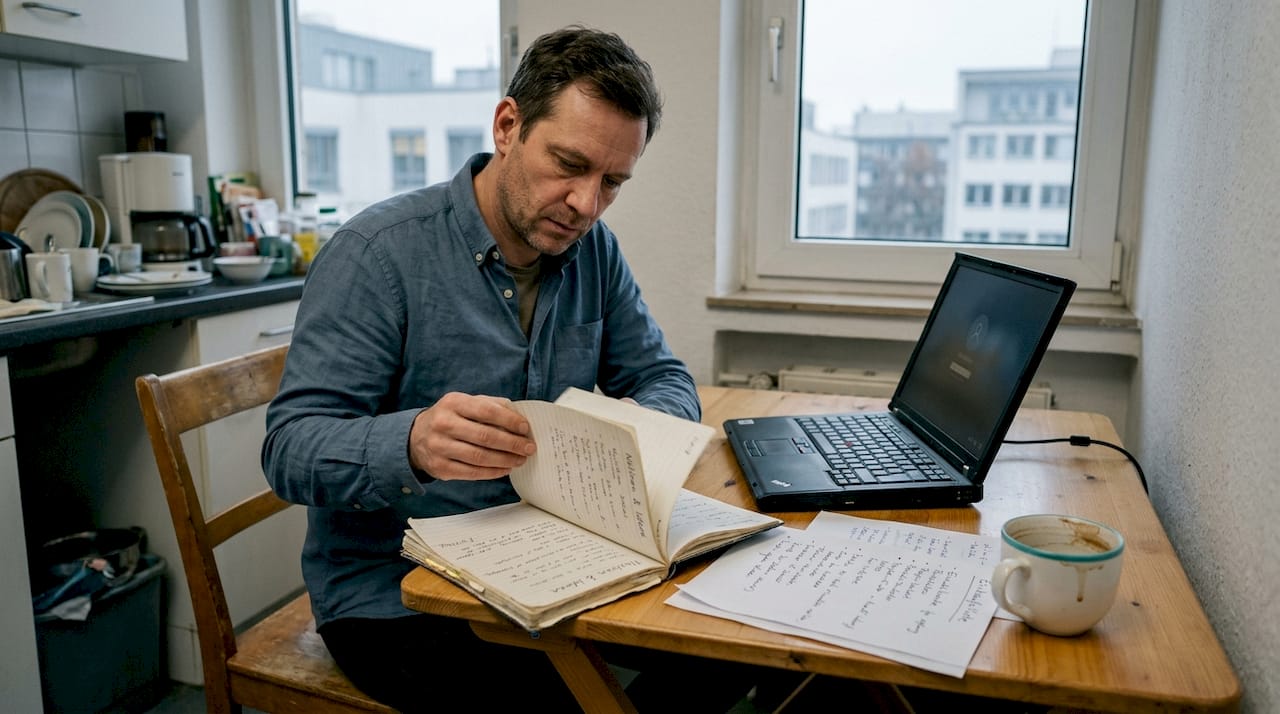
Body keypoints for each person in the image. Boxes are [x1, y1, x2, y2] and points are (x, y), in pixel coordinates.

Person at [262, 25, 782, 712]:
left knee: (744, 639)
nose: (587, 205)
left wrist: (643, 432)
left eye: (612, 183)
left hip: (552, 557)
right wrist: (412, 442)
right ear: (508, 125)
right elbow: (289, 447)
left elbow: (664, 376)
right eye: (569, 164)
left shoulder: (594, 251)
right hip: (396, 593)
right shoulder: (376, 254)